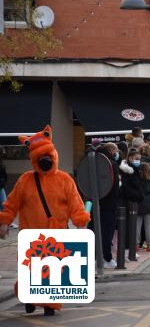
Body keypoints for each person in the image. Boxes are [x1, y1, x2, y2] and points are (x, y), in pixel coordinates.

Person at [0, 126, 90, 316]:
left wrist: (81, 221)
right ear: (34, 160)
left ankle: (50, 304)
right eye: (41, 158)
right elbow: (11, 203)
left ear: (53, 156)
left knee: (54, 270)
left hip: (57, 234)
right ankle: (30, 297)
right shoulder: (25, 180)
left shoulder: (65, 180)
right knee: (31, 270)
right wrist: (4, 221)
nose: (45, 161)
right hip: (32, 235)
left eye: (48, 156)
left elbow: (75, 203)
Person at [96, 143, 121, 268]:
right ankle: (107, 258)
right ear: (111, 150)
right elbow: (114, 187)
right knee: (107, 231)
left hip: (94, 202)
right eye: (116, 151)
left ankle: (95, 258)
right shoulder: (112, 164)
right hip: (109, 203)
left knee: (95, 230)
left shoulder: (92, 162)